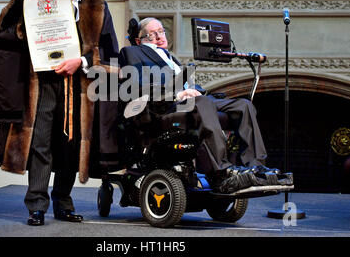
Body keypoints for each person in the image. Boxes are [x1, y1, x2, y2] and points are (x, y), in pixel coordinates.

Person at [0, 0, 119, 225]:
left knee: (70, 146)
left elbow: (110, 52)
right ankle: (36, 205)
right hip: (42, 84)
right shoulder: (37, 0)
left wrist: (81, 61)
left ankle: (63, 202)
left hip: (80, 86)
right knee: (40, 143)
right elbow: (3, 32)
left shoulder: (97, 6)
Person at [119, 17, 287, 194]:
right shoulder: (132, 53)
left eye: (161, 31)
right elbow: (138, 88)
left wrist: (195, 91)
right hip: (160, 109)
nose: (160, 37)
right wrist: (178, 94)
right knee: (201, 102)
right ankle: (222, 171)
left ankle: (256, 167)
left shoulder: (170, 58)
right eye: (152, 35)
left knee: (243, 106)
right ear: (139, 40)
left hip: (191, 102)